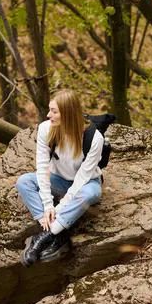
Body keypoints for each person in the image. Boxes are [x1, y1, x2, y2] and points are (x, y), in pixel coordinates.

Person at [16, 89, 104, 266]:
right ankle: (56, 232)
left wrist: (60, 206)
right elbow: (42, 168)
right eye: (50, 110)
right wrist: (48, 205)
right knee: (24, 182)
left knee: (91, 194)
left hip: (86, 183)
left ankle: (46, 236)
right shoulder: (45, 129)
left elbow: (82, 178)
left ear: (68, 113)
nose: (48, 115)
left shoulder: (94, 138)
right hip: (58, 180)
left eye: (54, 111)